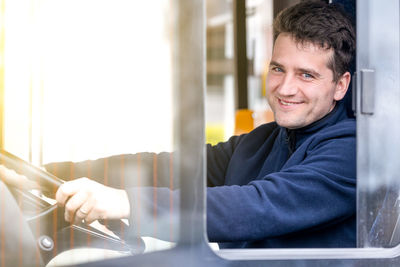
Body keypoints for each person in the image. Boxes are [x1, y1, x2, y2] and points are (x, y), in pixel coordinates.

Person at [9, 0, 358, 249]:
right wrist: (43, 174)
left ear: (340, 85)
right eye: (278, 68)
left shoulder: (352, 152)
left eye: (307, 75)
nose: (285, 88)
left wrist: (128, 203)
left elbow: (256, 205)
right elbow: (172, 168)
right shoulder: (268, 140)